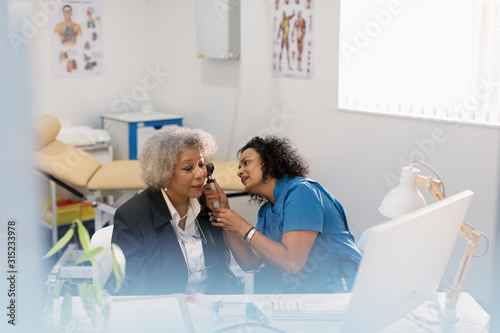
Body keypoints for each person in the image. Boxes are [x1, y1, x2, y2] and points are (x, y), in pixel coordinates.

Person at [205, 136, 362, 294]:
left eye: (246, 162)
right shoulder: (266, 211)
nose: (239, 172)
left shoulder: (302, 193)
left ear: (269, 162)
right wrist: (225, 216)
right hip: (308, 294)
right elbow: (250, 262)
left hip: (342, 291)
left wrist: (242, 226)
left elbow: (291, 262)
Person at [106, 127, 237, 296]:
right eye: (188, 168)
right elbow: (133, 289)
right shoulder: (133, 216)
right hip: (163, 313)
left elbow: (223, 270)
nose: (200, 174)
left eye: (201, 164)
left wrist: (223, 212)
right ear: (164, 173)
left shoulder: (209, 205)